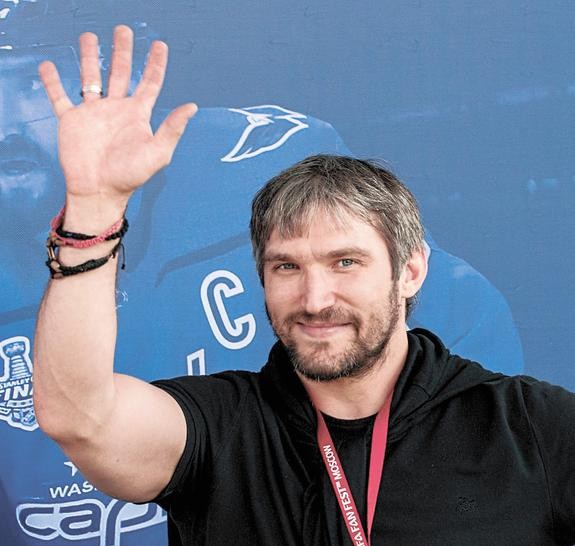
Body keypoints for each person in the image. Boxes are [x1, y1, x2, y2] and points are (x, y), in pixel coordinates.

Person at [34, 25, 575, 546]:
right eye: (287, 267)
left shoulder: (533, 427)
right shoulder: (219, 429)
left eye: (345, 262)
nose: (315, 300)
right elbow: (80, 419)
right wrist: (93, 209)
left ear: (410, 271)